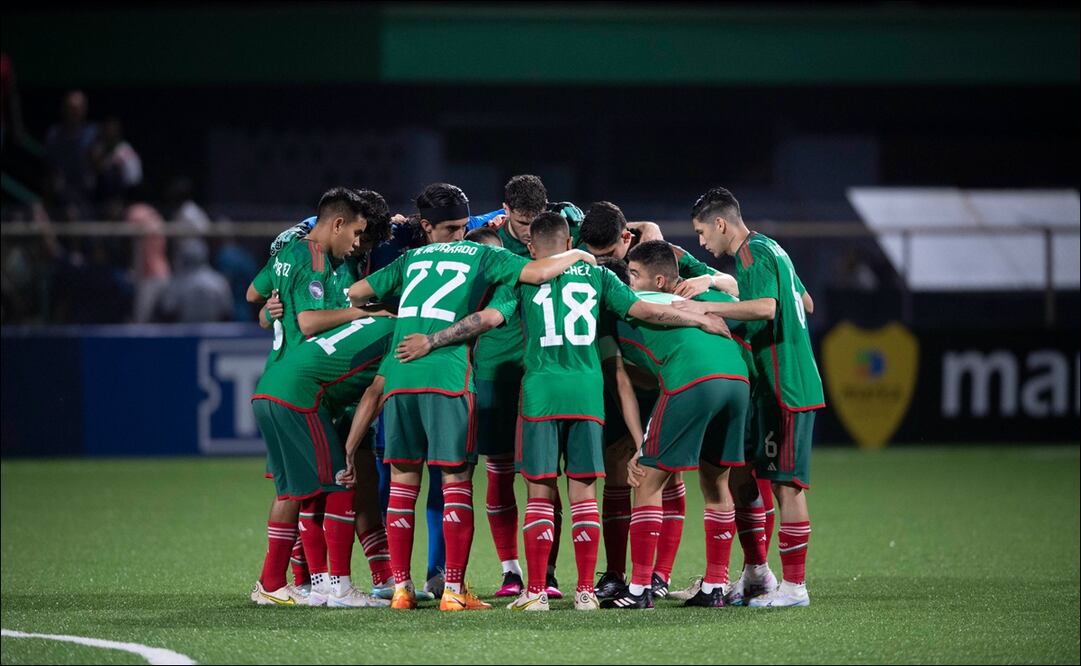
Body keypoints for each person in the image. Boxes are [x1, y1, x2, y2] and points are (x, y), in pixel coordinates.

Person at [393, 213, 729, 612]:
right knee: (584, 493)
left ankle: (536, 591)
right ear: (570, 240)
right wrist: (701, 317)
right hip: (587, 394)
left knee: (540, 491)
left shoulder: (521, 279)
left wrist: (433, 339)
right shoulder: (601, 278)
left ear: (532, 250)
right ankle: (585, 591)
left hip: (540, 393)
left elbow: (488, 318)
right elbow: (647, 310)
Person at [344, 186, 601, 612]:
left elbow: (355, 293)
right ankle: (453, 590)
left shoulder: (409, 259)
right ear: (427, 226)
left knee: (404, 486)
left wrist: (399, 310)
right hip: (448, 379)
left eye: (465, 227)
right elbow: (535, 276)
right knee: (456, 482)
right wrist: (578, 255)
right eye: (454, 228)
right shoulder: (484, 256)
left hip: (400, 377)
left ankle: (402, 589)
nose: (461, 234)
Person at [674, 186, 825, 608]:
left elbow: (767, 308)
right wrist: (719, 283)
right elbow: (806, 302)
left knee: (787, 487)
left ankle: (795, 587)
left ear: (721, 224)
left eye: (703, 233)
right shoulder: (772, 249)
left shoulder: (751, 254)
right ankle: (757, 574)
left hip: (786, 385)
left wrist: (708, 309)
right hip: (777, 383)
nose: (702, 242)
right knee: (762, 479)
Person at [246, 187, 393, 606]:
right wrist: (363, 313)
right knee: (336, 479)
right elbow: (310, 322)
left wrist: (268, 311)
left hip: (281, 380)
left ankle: (292, 583)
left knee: (298, 490)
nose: (358, 244)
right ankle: (328, 583)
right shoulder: (312, 258)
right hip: (309, 386)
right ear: (339, 223)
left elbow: (252, 296)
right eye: (358, 233)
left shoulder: (294, 256)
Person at [599, 241, 753, 609]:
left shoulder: (629, 306)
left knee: (646, 480)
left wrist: (641, 447)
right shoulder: (706, 300)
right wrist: (714, 283)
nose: (630, 281)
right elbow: (748, 305)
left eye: (634, 274)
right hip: (737, 382)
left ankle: (638, 590)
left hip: (692, 381)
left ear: (660, 279)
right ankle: (716, 585)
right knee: (716, 482)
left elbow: (623, 380)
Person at [251, 314, 394, 608]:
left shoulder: (370, 322)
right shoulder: (403, 332)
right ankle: (340, 589)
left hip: (268, 388)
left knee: (296, 492)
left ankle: (276, 583)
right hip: (301, 396)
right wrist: (351, 450)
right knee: (341, 480)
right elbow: (373, 395)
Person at [153, 238, 232, 323]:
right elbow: (227, 313)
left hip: (184, 333)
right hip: (212, 333)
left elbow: (166, 311)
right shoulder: (219, 281)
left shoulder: (177, 283)